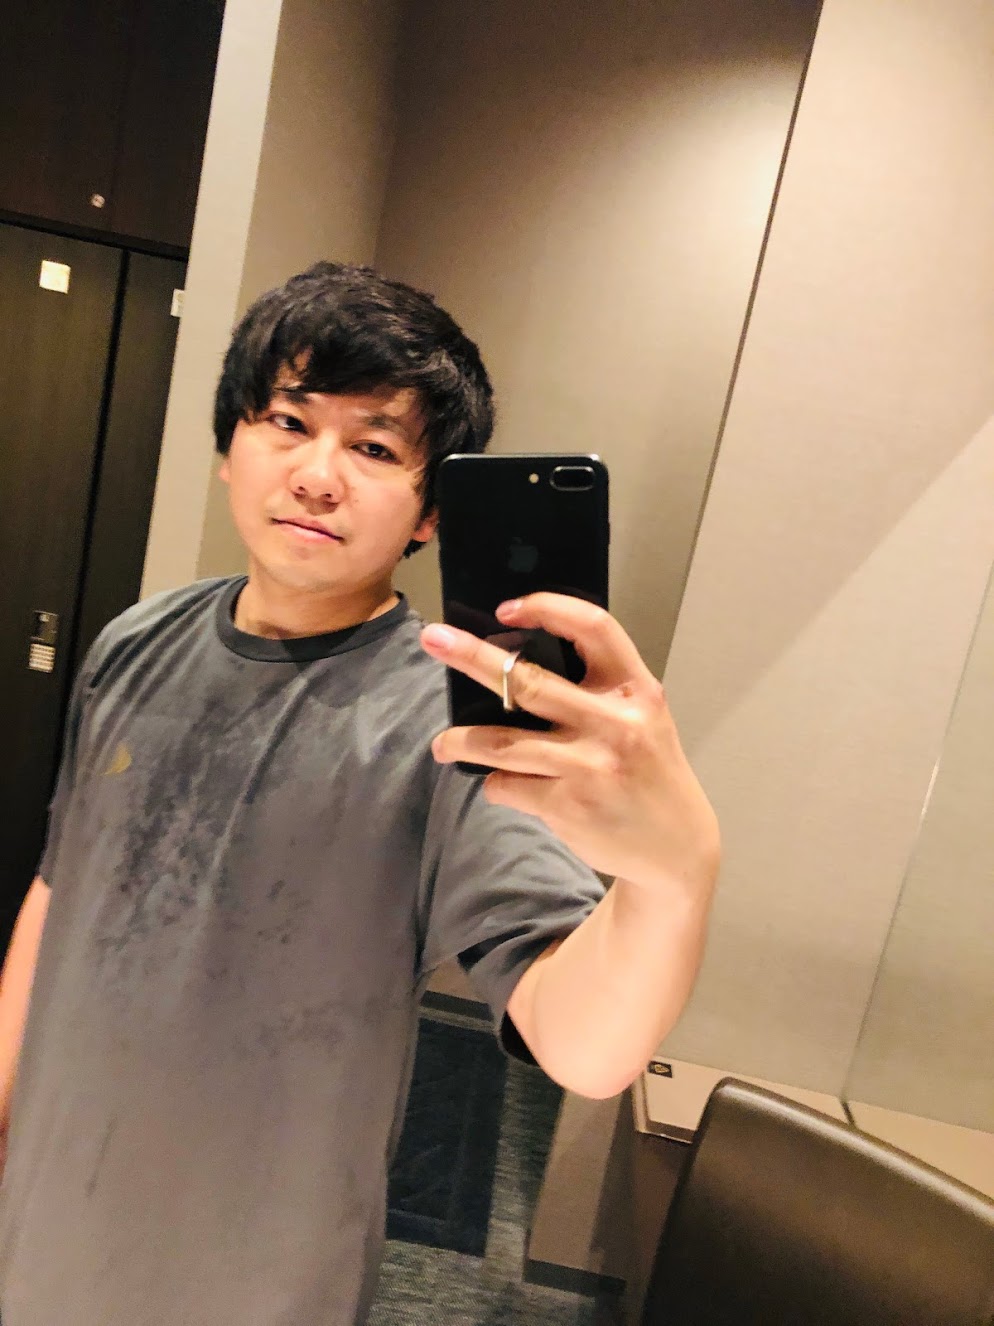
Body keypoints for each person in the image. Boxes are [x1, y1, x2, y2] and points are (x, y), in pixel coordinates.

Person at [0, 262, 720, 1325]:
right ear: (230, 446)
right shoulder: (133, 642)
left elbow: (584, 1046)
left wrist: (671, 879)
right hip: (39, 1228)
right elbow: (61, 893)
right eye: (288, 423)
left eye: (375, 448)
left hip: (247, 1281)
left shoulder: (452, 721)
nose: (317, 475)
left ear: (429, 516)